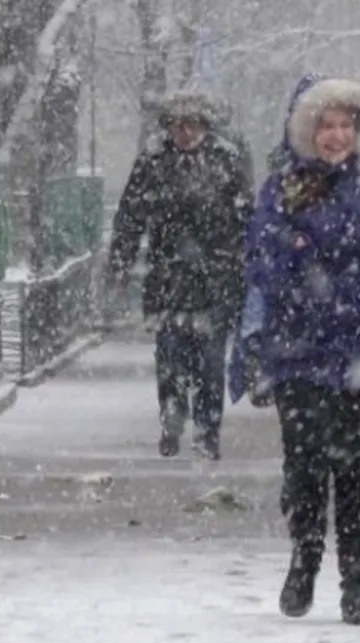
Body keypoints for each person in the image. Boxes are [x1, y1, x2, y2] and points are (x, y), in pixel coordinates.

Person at [232, 73, 360, 625]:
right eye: (326, 125)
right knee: (307, 467)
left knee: (359, 472)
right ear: (305, 130)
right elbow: (261, 266)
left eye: (346, 125)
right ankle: (305, 557)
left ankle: (357, 586)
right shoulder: (281, 188)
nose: (336, 136)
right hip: (300, 354)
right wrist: (294, 250)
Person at [107, 90, 253, 461]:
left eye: (191, 124)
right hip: (168, 277)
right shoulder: (153, 162)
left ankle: (207, 429)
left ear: (205, 126)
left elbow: (246, 218)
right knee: (170, 356)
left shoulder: (226, 161)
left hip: (215, 279)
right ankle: (172, 413)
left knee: (209, 361)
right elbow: (129, 217)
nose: (184, 132)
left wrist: (246, 264)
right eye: (177, 125)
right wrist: (121, 264)